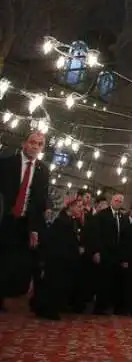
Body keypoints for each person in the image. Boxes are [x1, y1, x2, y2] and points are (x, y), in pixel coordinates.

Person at [0, 131, 50, 312]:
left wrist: (35, 229)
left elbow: (39, 202)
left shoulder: (43, 170)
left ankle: (5, 295)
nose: (35, 146)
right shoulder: (7, 163)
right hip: (4, 218)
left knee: (14, 262)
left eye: (39, 144)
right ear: (24, 143)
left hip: (24, 222)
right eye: (33, 142)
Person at [35, 195, 84, 320]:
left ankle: (52, 307)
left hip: (64, 259)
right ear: (71, 206)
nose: (81, 209)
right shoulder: (62, 221)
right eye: (78, 206)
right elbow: (60, 242)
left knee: (59, 285)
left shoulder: (71, 220)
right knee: (53, 285)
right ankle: (49, 309)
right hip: (57, 259)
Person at [86, 193, 126, 315]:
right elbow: (96, 234)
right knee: (102, 281)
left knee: (112, 281)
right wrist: (96, 251)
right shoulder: (102, 215)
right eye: (116, 200)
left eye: (120, 201)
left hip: (116, 254)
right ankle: (99, 307)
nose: (118, 203)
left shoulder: (121, 216)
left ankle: (107, 305)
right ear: (111, 201)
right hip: (104, 252)